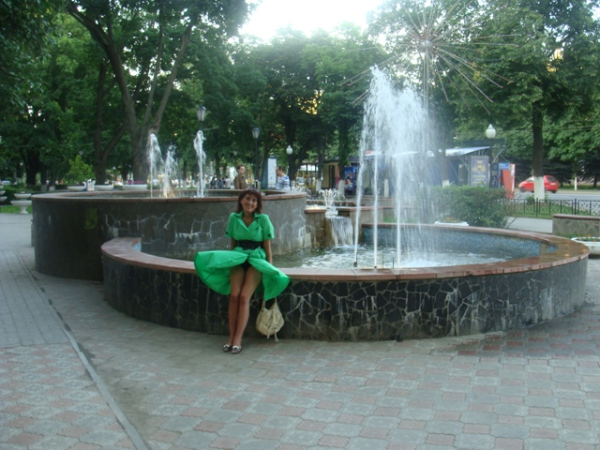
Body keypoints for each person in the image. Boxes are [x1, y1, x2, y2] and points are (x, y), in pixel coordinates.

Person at [194, 188, 290, 354]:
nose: (250, 203)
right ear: (241, 200)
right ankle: (230, 338)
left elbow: (268, 248)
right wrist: (230, 260)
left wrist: (269, 270)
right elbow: (233, 243)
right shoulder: (234, 218)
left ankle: (238, 339)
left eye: (254, 200)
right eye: (247, 199)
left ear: (257, 204)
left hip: (256, 260)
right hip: (238, 258)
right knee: (234, 296)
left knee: (244, 297)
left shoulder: (263, 219)